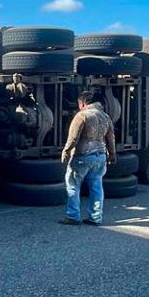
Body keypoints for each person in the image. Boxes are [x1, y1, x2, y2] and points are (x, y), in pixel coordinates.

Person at [60, 90, 117, 226]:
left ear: (83, 102)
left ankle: (73, 216)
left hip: (83, 156)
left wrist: (66, 152)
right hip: (100, 156)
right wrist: (112, 154)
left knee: (73, 185)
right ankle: (95, 217)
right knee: (96, 187)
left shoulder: (82, 116)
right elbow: (111, 138)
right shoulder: (105, 116)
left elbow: (73, 138)